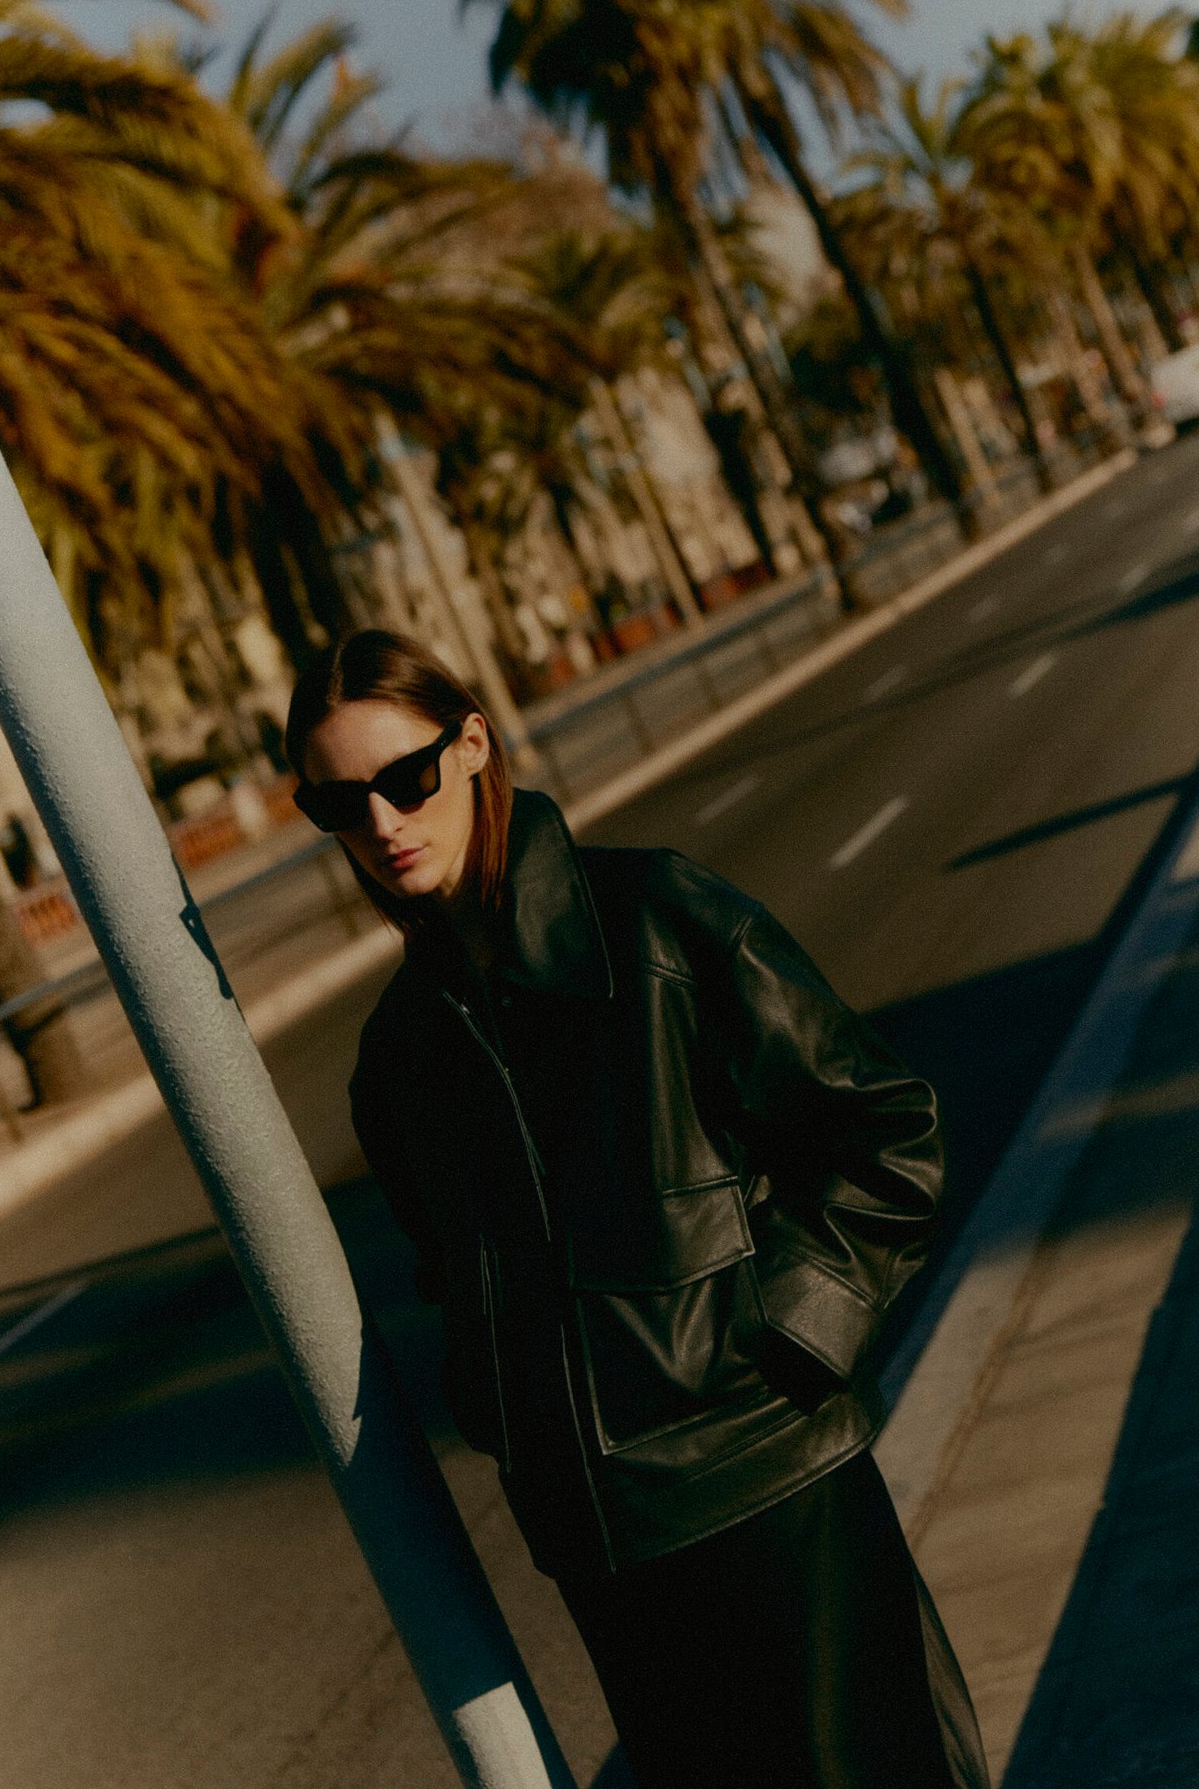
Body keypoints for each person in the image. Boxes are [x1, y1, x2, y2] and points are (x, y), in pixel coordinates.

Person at [286, 628, 989, 1789]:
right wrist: (509, 1417)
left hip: (772, 1498)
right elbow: (451, 1282)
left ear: (472, 746)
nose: (380, 823)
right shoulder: (399, 1059)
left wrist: (787, 1340)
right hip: (606, 1555)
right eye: (337, 804)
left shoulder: (655, 920)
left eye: (404, 779)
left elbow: (883, 1134)